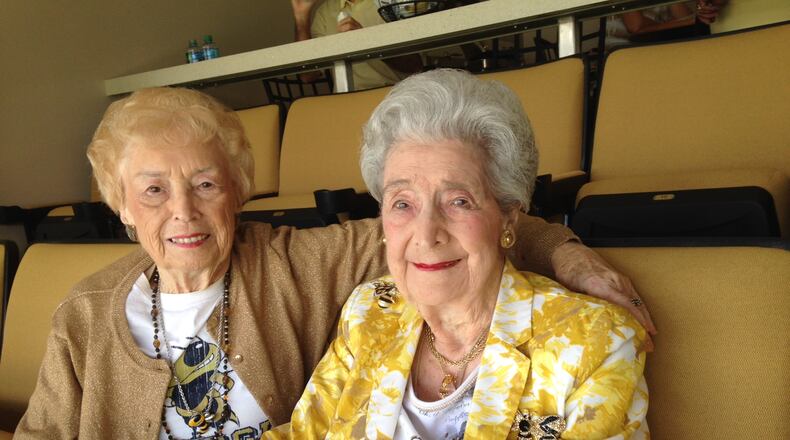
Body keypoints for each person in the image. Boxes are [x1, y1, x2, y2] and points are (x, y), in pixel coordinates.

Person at [14, 87, 652, 439]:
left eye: (206, 184)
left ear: (239, 191)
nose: (183, 211)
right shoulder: (84, 314)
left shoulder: (304, 265)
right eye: (153, 190)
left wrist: (572, 259)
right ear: (120, 207)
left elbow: (459, 229)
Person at [266, 70, 649, 439]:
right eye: (402, 203)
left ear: (508, 217)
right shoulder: (369, 311)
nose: (427, 232)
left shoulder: (594, 342)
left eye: (458, 201)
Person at [290, 0, 422, 90]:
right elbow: (307, 75)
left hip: (391, 95)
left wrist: (365, 40)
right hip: (346, 102)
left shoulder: (390, 3)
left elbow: (413, 65)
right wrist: (301, 15)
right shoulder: (325, 12)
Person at [606, 0, 726, 49]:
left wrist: (704, 10)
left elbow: (683, 18)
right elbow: (638, 28)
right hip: (624, 52)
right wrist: (696, 19)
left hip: (658, 45)